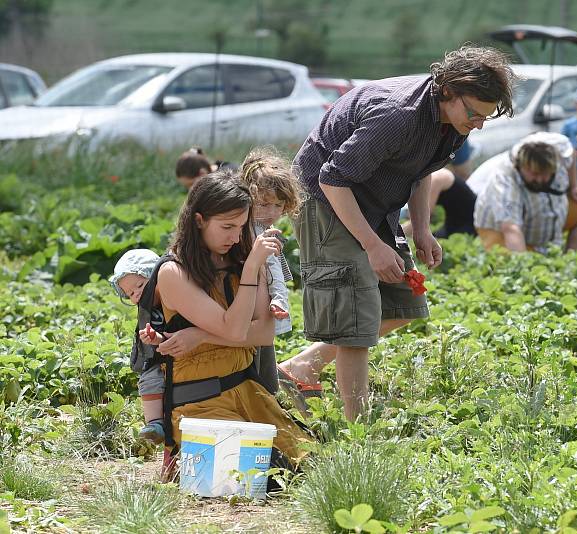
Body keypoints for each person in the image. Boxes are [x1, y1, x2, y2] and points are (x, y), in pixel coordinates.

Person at [278, 45, 516, 421]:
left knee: (405, 301)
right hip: (324, 199)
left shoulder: (454, 123)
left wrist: (421, 229)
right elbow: (332, 177)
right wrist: (372, 246)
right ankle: (360, 434)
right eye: (474, 114)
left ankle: (302, 366)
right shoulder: (398, 116)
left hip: (373, 200)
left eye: (486, 118)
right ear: (448, 91)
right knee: (354, 324)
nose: (478, 124)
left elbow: (421, 170)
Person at [138, 171, 309, 463]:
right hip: (199, 404)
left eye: (242, 227)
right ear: (199, 220)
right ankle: (176, 454)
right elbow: (235, 330)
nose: (235, 237)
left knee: (308, 462)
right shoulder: (173, 272)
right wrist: (253, 267)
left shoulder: (242, 260)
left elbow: (264, 334)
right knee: (266, 474)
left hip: (248, 392)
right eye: (227, 227)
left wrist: (201, 334)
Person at [472, 132, 577, 253]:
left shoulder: (558, 146)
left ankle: (570, 259)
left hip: (540, 213)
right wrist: (523, 267)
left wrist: (575, 186)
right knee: (511, 263)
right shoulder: (505, 182)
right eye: (535, 174)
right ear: (521, 165)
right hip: (499, 229)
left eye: (546, 174)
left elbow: (570, 152)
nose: (540, 179)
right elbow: (511, 228)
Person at [238, 146, 303, 394]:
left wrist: (279, 298)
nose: (271, 212)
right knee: (252, 366)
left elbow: (274, 272)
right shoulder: (245, 230)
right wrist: (278, 297)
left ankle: (267, 404)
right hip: (249, 309)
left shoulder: (263, 230)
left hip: (261, 309)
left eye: (278, 205)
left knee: (262, 361)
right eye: (263, 204)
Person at [109, 248, 167, 444]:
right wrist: (152, 337)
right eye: (130, 294)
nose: (136, 295)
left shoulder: (174, 297)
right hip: (157, 358)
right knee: (148, 381)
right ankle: (155, 424)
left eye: (141, 285)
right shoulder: (146, 308)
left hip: (182, 353)